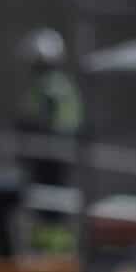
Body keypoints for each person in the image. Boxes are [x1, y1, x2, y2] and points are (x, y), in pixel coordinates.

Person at [14, 27, 84, 190]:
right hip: (53, 150)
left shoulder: (52, 85)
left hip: (50, 151)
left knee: (50, 198)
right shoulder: (55, 83)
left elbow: (48, 121)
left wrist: (27, 127)